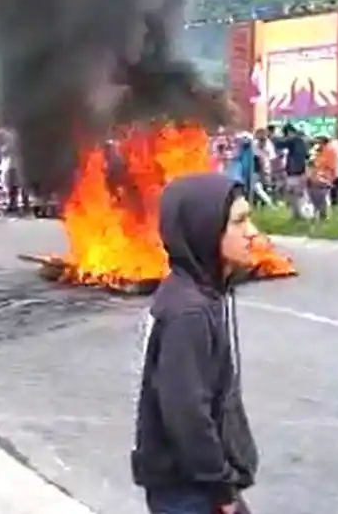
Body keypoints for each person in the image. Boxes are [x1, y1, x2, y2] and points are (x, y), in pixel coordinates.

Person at [133, 173, 258, 514]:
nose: (253, 232)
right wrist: (223, 493)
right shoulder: (189, 312)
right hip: (190, 491)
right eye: (240, 222)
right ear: (206, 230)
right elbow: (186, 412)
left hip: (196, 485)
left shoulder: (198, 292)